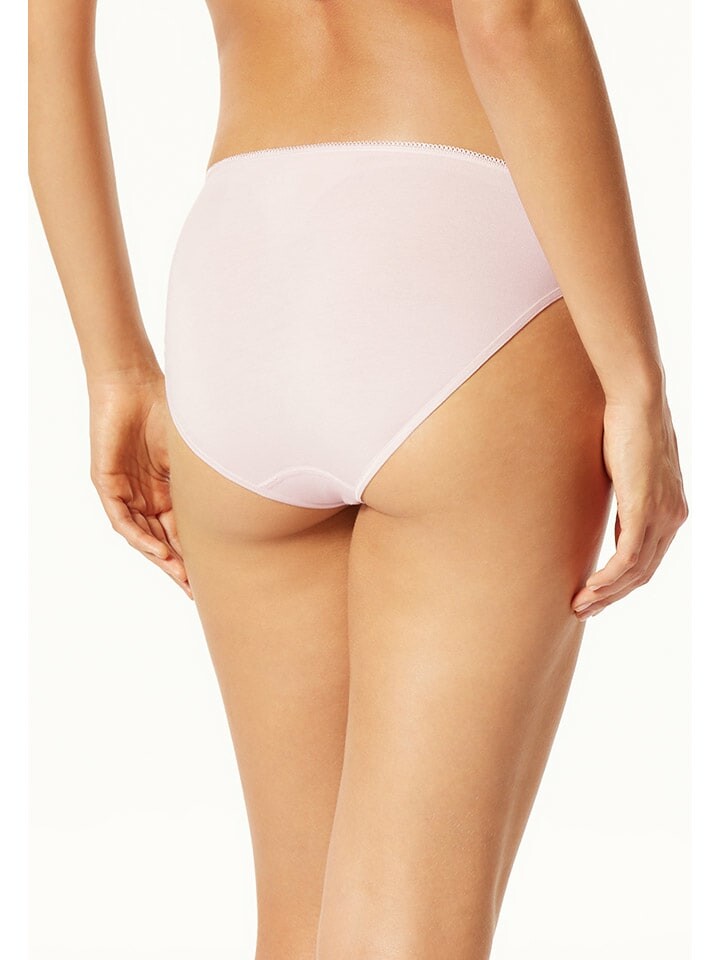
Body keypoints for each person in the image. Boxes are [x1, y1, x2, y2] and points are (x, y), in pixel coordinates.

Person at [28, 0, 688, 957]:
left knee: (300, 930)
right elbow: (513, 19)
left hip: (237, 278)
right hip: (456, 255)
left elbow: (51, 50)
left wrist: (114, 365)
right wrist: (635, 380)